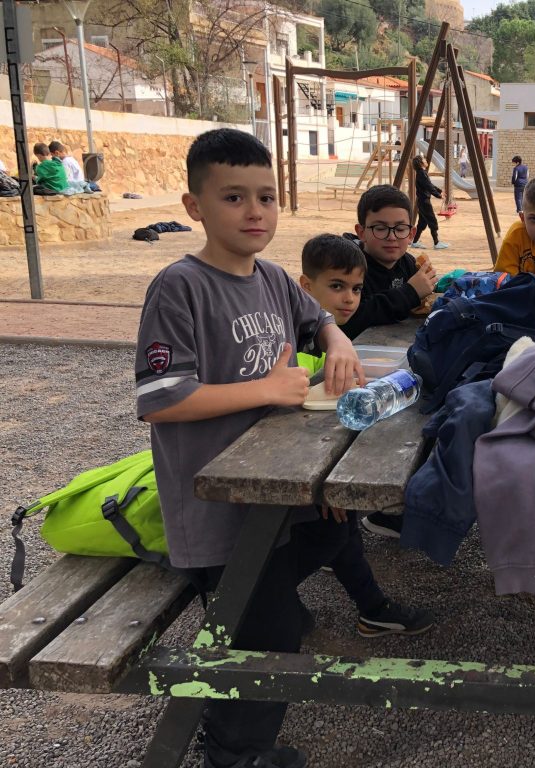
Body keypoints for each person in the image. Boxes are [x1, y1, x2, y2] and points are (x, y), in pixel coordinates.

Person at [135, 128, 366, 768]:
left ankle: (246, 613)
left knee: (336, 529)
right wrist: (265, 388)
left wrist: (337, 339)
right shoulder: (179, 286)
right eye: (233, 197)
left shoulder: (271, 278)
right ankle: (233, 752)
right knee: (273, 631)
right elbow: (161, 398)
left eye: (265, 196)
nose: (254, 211)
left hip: (272, 482)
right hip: (214, 503)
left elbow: (315, 316)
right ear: (195, 206)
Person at [296, 232, 435, 633]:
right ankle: (370, 607)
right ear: (306, 287)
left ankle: (370, 606)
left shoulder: (334, 335)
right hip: (305, 460)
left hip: (325, 449)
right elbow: (296, 419)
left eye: (356, 289)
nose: (349, 299)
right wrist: (327, 480)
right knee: (336, 524)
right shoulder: (300, 341)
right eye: (337, 287)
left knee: (339, 521)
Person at [340, 184, 438, 341]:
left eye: (400, 229)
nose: (391, 237)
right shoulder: (346, 269)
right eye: (380, 228)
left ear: (411, 234)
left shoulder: (409, 264)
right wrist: (410, 292)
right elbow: (350, 320)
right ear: (361, 232)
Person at [409, 155, 449, 251]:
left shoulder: (421, 173)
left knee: (422, 223)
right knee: (432, 221)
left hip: (422, 201)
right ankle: (436, 243)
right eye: (424, 159)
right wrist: (438, 195)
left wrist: (439, 191)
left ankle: (415, 242)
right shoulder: (422, 173)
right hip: (424, 202)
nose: (426, 160)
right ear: (420, 163)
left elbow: (430, 185)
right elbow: (429, 186)